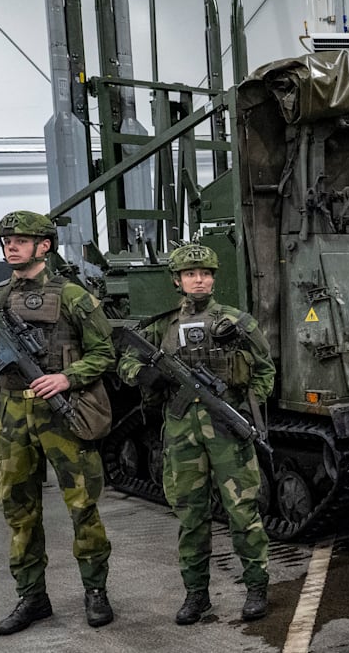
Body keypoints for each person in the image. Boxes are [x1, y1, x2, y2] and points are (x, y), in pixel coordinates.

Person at [0, 210, 115, 635]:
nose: (11, 245)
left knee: (83, 505)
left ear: (44, 245)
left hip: (64, 410)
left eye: (21, 239)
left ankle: (96, 592)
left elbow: (105, 354)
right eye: (6, 240)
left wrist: (68, 376)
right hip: (12, 413)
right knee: (18, 509)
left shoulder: (75, 296)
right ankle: (32, 597)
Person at [117, 243, 275, 624]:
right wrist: (142, 374)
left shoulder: (237, 322)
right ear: (178, 280)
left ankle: (256, 588)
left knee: (243, 514)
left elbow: (265, 369)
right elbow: (125, 360)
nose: (198, 279)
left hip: (227, 430)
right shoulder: (161, 326)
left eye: (205, 273)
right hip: (182, 432)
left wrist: (245, 402)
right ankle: (196, 595)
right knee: (191, 517)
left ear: (214, 278)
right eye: (190, 274)